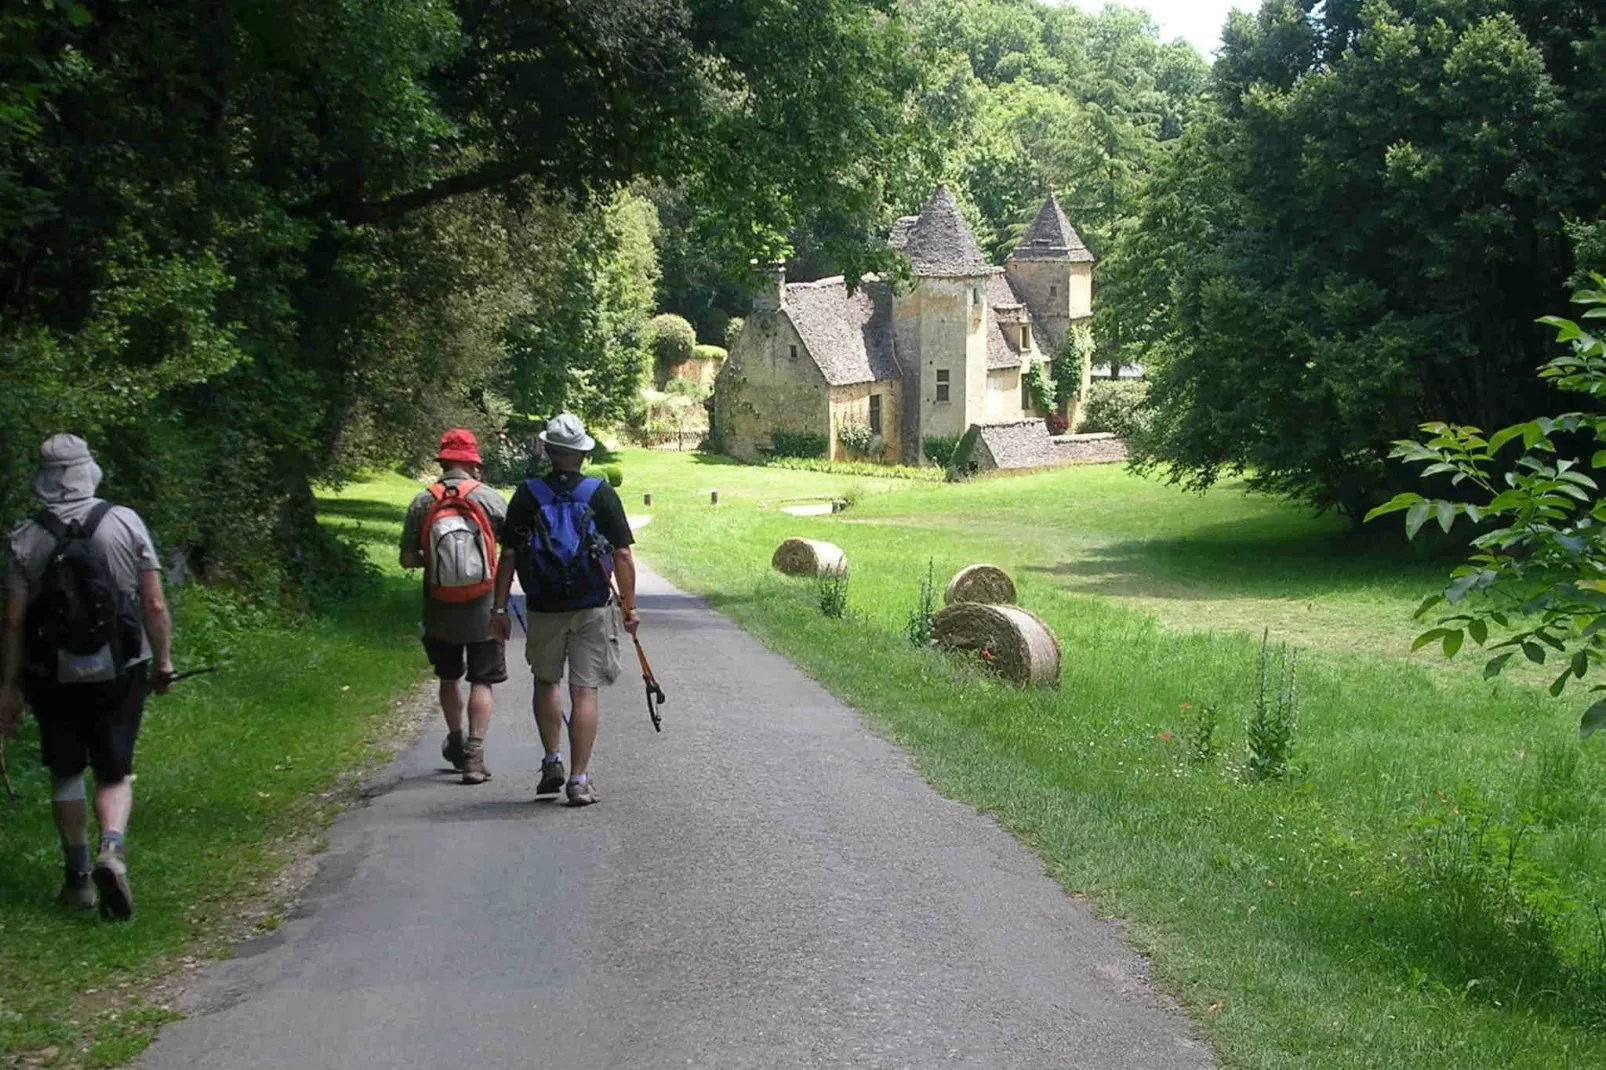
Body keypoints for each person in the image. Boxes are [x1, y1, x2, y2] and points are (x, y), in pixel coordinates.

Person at [0, 434, 174, 919]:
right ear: (88, 471)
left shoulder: (24, 536)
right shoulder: (124, 522)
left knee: (65, 771)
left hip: (50, 673)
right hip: (120, 667)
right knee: (114, 769)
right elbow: (154, 603)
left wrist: (7, 688)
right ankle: (112, 848)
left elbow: (13, 621)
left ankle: (77, 879)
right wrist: (162, 662)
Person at [492, 414, 637, 806]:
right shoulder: (600, 493)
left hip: (542, 604)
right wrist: (628, 607)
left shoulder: (527, 494)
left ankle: (551, 759)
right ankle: (579, 779)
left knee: (545, 682)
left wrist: (499, 607)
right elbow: (622, 554)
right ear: (582, 454)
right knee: (584, 689)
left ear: (549, 452)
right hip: (590, 604)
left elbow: (507, 555)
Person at [400, 430, 508, 785]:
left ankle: (457, 740)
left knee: (449, 677)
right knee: (482, 680)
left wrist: (431, 558)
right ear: (473, 462)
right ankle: (475, 755)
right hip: (484, 606)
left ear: (443, 460)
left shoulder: (423, 501)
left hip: (439, 606)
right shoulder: (489, 498)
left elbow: (406, 559)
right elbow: (513, 547)